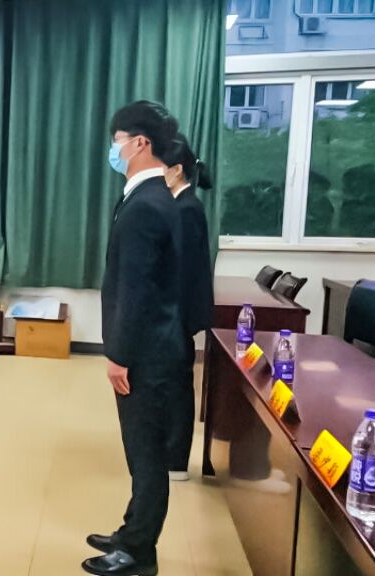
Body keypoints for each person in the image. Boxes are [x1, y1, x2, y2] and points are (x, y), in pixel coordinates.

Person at [85, 101, 185, 576]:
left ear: (140, 143)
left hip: (146, 354)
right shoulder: (148, 196)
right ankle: (131, 531)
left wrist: (119, 355)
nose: (114, 149)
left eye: (117, 140)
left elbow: (137, 289)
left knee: (146, 456)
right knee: (140, 451)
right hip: (153, 347)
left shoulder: (147, 204)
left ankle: (139, 553)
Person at [162, 133, 214, 483]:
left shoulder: (186, 209)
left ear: (177, 170)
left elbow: (182, 270)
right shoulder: (180, 205)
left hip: (178, 312)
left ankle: (176, 460)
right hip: (177, 310)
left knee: (178, 386)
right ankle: (171, 455)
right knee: (173, 383)